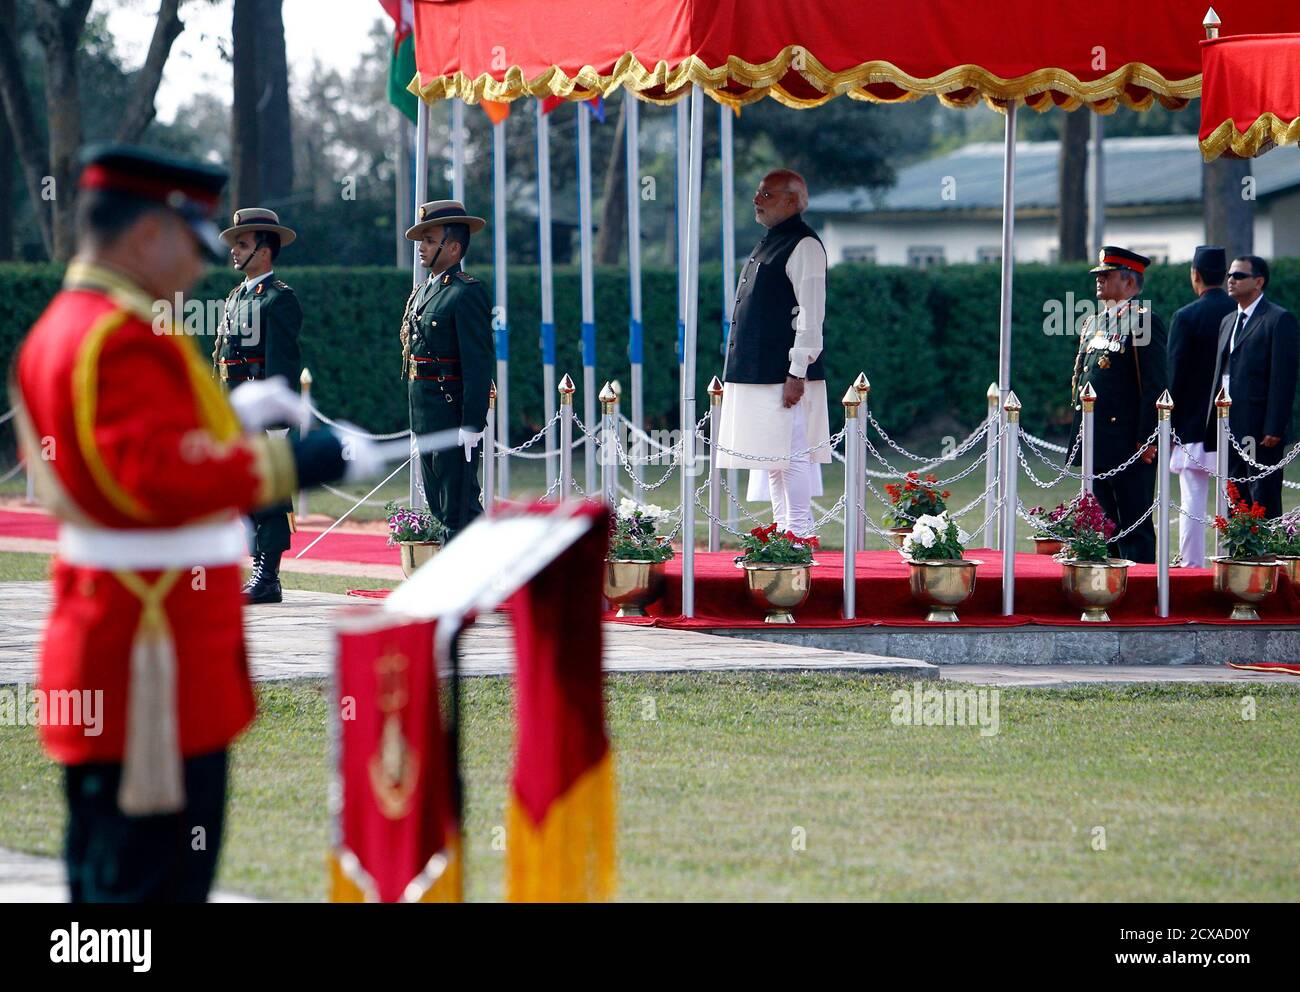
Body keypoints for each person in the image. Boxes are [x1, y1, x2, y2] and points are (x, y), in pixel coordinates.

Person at [9, 145, 376, 902]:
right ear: (147, 235)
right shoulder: (115, 334)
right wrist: (300, 464)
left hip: (141, 638)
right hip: (150, 655)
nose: (203, 268)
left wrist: (232, 414)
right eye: (193, 245)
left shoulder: (88, 323)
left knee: (133, 882)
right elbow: (147, 477)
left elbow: (133, 448)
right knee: (143, 891)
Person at [716, 168, 831, 537]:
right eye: (758, 192)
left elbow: (812, 316)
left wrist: (798, 371)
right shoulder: (772, 241)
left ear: (791, 201)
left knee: (792, 452)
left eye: (766, 194)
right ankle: (784, 530)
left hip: (783, 371)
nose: (756, 200)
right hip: (759, 369)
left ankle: (799, 531)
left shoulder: (804, 244)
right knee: (773, 456)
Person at [213, 207, 302, 603]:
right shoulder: (236, 298)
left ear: (264, 252)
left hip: (264, 416)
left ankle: (269, 576)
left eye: (243, 244)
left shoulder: (278, 300)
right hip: (238, 413)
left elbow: (282, 366)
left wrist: (279, 417)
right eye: (235, 244)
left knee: (270, 493)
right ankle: (257, 568)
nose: (235, 251)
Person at [400, 200, 494, 540]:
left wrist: (471, 423)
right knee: (441, 504)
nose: (422, 248)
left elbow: (478, 363)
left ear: (453, 247)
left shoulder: (466, 292)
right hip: (427, 414)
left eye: (429, 240)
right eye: (421, 241)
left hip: (452, 414)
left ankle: (475, 580)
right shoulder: (426, 290)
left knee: (459, 505)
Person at [1069, 246, 1168, 564]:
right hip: (1096, 439)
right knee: (1103, 523)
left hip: (1128, 442)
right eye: (1098, 275)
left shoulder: (1143, 322)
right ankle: (1106, 588)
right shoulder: (1094, 323)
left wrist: (1147, 439)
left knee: (1133, 523)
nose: (1098, 281)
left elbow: (1154, 385)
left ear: (1128, 282)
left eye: (1106, 275)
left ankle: (1139, 596)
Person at [1203, 255, 1299, 519]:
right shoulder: (1227, 321)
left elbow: (1283, 378)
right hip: (1229, 426)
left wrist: (1274, 426)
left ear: (1258, 281)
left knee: (1262, 496)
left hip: (1259, 428)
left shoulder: (1278, 319)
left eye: (1239, 276)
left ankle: (1264, 559)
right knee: (1234, 494)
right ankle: (1236, 557)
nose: (1231, 281)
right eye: (1229, 276)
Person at [1167, 246, 1234, 567]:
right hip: (1233, 425)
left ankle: (1192, 564)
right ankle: (1229, 562)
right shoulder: (1240, 312)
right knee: (1230, 497)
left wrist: (1167, 426)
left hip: (1193, 423)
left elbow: (1175, 379)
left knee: (1193, 497)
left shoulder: (1186, 316)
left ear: (1195, 275)